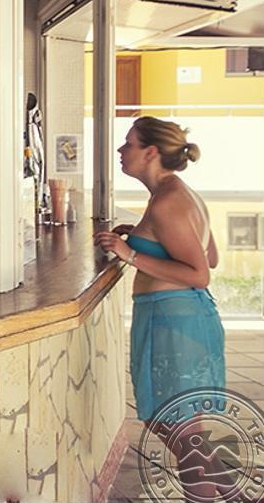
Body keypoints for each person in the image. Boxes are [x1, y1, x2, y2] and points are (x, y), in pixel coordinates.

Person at [94, 116, 228, 499]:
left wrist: (131, 253)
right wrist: (139, 237)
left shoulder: (168, 201)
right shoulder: (175, 194)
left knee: (180, 430)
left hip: (175, 323)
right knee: (180, 430)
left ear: (150, 152)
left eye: (129, 143)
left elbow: (200, 273)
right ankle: (238, 496)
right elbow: (209, 254)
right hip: (180, 320)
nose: (121, 150)